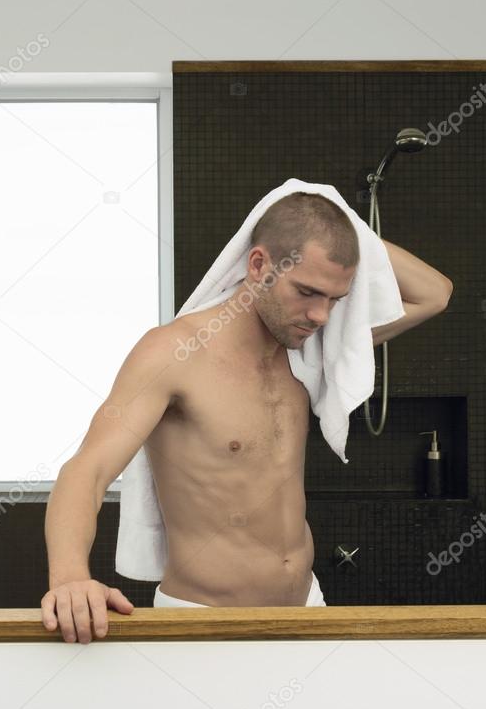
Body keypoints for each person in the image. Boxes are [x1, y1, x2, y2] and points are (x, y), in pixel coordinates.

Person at [41, 193, 453, 643]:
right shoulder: (175, 354)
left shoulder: (310, 349)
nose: (320, 315)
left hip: (306, 608)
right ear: (258, 265)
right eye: (306, 291)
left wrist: (339, 215)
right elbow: (88, 469)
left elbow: (435, 294)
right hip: (203, 622)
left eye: (336, 299)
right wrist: (69, 579)